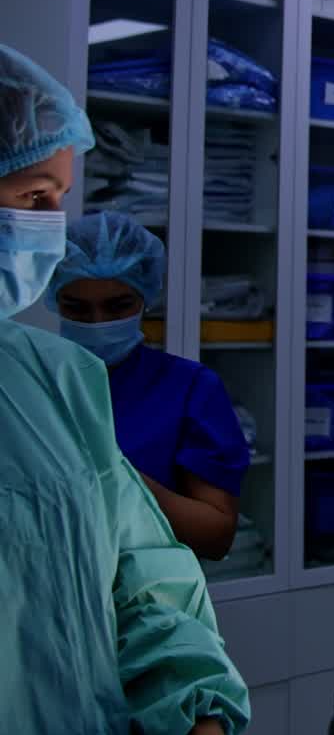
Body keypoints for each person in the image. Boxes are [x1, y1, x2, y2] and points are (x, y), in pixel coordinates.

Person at [0, 44, 313, 735]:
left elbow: (142, 589)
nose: (49, 229)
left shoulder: (56, 384)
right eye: (36, 197)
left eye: (58, 201)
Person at [48, 211, 249, 560]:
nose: (99, 323)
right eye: (77, 309)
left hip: (141, 597)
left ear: (144, 298)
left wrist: (116, 476)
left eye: (117, 306)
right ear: (54, 299)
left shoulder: (188, 388)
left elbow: (216, 535)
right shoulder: (33, 382)